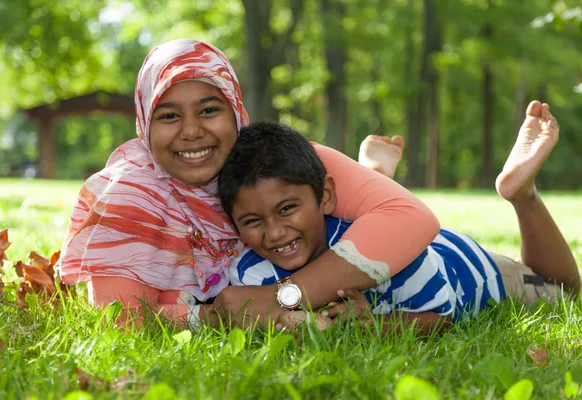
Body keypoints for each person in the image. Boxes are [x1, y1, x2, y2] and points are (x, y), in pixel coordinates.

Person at [58, 38, 440, 328]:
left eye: (209, 110)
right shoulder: (129, 196)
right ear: (144, 123)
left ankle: (371, 176)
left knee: (502, 271)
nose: (191, 132)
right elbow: (120, 319)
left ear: (236, 110)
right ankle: (371, 174)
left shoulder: (266, 156)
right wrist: (221, 317)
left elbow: (413, 219)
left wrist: (286, 298)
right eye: (169, 116)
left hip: (440, 251)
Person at [219, 105, 580, 333]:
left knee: (567, 289)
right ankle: (374, 176)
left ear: (327, 195)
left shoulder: (399, 257)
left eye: (286, 209)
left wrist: (372, 325)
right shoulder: (252, 272)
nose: (275, 232)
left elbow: (442, 317)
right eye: (252, 221)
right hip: (391, 235)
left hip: (468, 268)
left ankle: (522, 194)